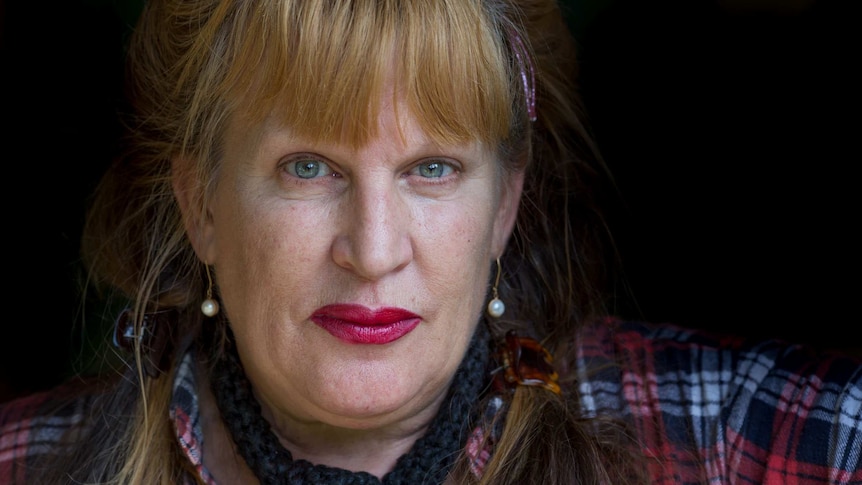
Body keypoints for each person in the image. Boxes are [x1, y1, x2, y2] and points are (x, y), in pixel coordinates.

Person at [1, 0, 860, 483]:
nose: (374, 251)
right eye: (307, 166)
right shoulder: (26, 464)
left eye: (433, 168)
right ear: (203, 206)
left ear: (505, 204)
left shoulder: (705, 436)